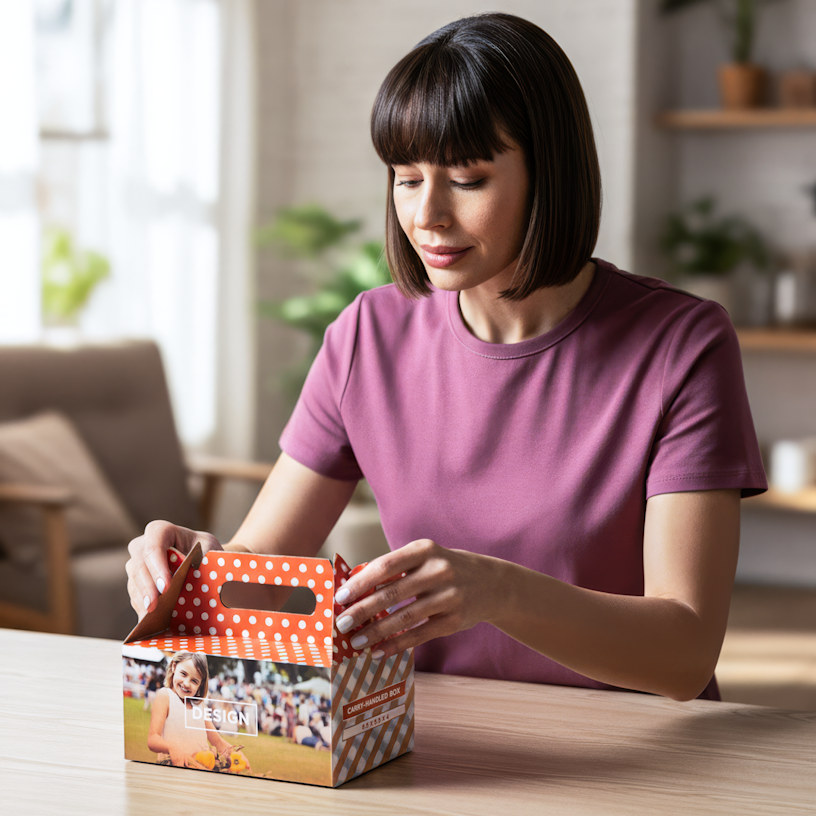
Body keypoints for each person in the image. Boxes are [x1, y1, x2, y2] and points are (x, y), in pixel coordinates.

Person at [126, 13, 766, 703]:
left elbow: (685, 653)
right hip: (431, 746)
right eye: (406, 177)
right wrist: (193, 569)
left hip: (632, 754)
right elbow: (257, 567)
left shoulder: (681, 344)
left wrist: (498, 591)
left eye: (467, 179)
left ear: (547, 173)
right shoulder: (368, 336)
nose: (427, 213)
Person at [147, 651, 250, 770]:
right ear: (174, 667)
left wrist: (237, 755)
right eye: (183, 674)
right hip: (174, 769)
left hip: (201, 769)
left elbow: (217, 742)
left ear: (200, 685)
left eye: (194, 681)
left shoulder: (200, 706)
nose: (186, 683)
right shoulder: (165, 696)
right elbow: (153, 739)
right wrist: (172, 747)